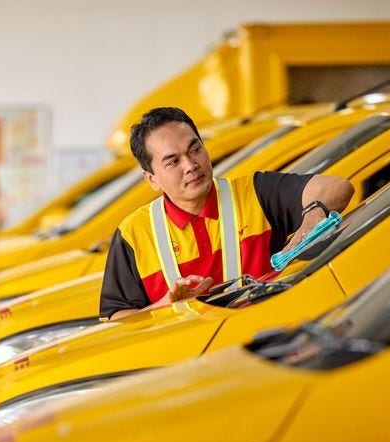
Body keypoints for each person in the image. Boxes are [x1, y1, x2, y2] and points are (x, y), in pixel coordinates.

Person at [100, 107, 354, 320]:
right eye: (173, 161)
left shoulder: (255, 192)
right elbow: (116, 320)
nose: (191, 165)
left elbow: (337, 187)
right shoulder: (133, 233)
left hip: (267, 346)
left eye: (195, 149)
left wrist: (309, 225)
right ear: (151, 178)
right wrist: (165, 306)